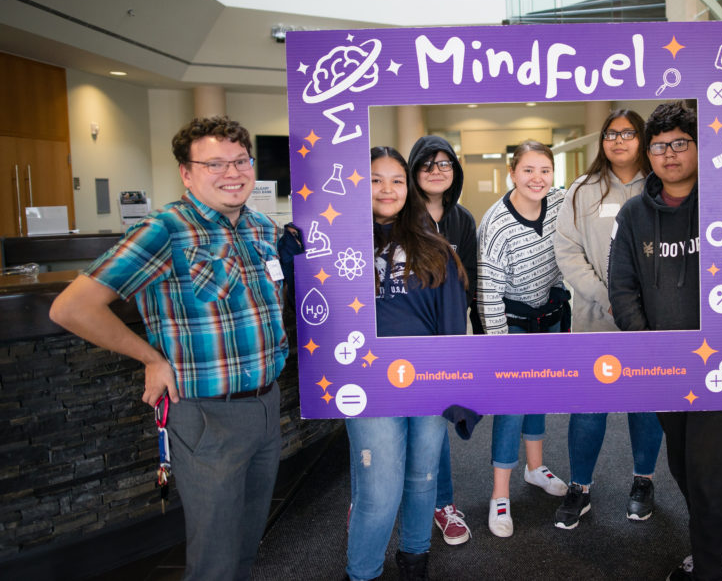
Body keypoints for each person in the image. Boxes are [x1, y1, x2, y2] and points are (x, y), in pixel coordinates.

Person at [49, 116, 289, 581]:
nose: (232, 172)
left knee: (247, 544)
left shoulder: (262, 227)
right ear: (186, 172)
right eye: (215, 163)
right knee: (214, 559)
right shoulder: (166, 229)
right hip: (205, 416)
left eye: (241, 160)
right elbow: (71, 308)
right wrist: (150, 358)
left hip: (266, 406)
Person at [608, 101, 722, 581]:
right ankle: (713, 549)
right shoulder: (633, 215)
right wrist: (649, 346)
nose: (668, 155)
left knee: (712, 476)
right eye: (658, 146)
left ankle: (711, 565)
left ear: (699, 147)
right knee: (683, 467)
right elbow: (622, 286)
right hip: (665, 366)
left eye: (679, 144)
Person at [346, 146, 468, 581]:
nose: (387, 189)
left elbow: (454, 321)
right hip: (369, 385)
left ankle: (414, 560)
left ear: (409, 187)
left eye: (397, 180)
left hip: (428, 383)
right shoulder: (341, 246)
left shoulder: (434, 246)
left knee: (422, 480)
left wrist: (458, 388)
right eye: (375, 179)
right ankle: (362, 573)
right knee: (378, 492)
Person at [552, 109, 663, 530]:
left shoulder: (661, 187)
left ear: (642, 138)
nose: (618, 141)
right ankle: (579, 487)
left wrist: (639, 306)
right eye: (611, 134)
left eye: (628, 133)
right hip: (595, 319)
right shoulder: (583, 191)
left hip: (649, 321)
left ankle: (643, 481)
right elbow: (568, 251)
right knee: (588, 407)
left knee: (645, 404)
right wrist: (608, 298)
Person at [477, 139, 570, 537]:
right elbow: (487, 294)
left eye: (544, 170)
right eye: (528, 170)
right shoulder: (495, 224)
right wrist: (499, 350)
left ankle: (535, 469)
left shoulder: (561, 203)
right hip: (511, 321)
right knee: (512, 405)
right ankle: (500, 495)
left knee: (541, 395)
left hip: (549, 314)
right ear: (512, 173)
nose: (537, 178)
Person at [407, 135, 479, 547]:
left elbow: (469, 278)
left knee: (438, 416)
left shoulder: (462, 220)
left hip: (447, 338)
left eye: (445, 164)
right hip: (405, 339)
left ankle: (443, 503)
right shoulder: (399, 216)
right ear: (415, 171)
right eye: (428, 164)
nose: (437, 171)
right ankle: (368, 499)